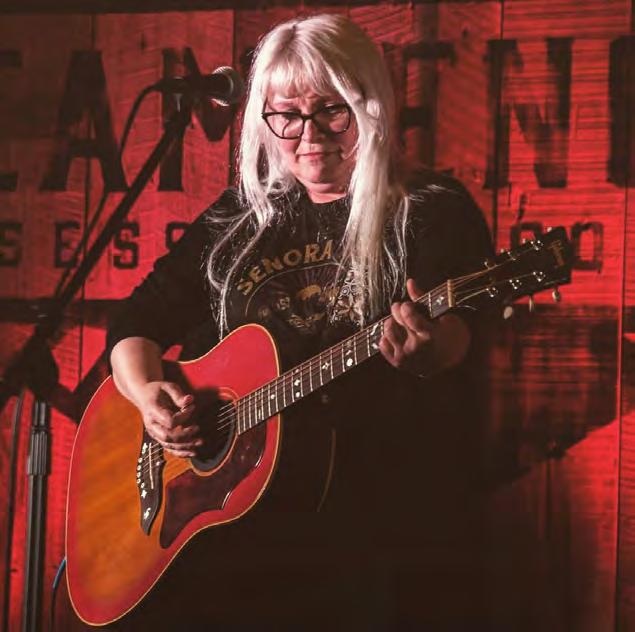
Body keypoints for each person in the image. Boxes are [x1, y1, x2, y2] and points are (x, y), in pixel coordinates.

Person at [106, 13, 494, 629]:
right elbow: (136, 320)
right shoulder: (242, 216)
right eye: (285, 115)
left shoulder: (431, 211)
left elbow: (464, 333)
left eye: (330, 111)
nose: (308, 134)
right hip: (231, 537)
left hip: (372, 534)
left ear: (369, 106)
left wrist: (430, 351)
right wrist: (146, 392)